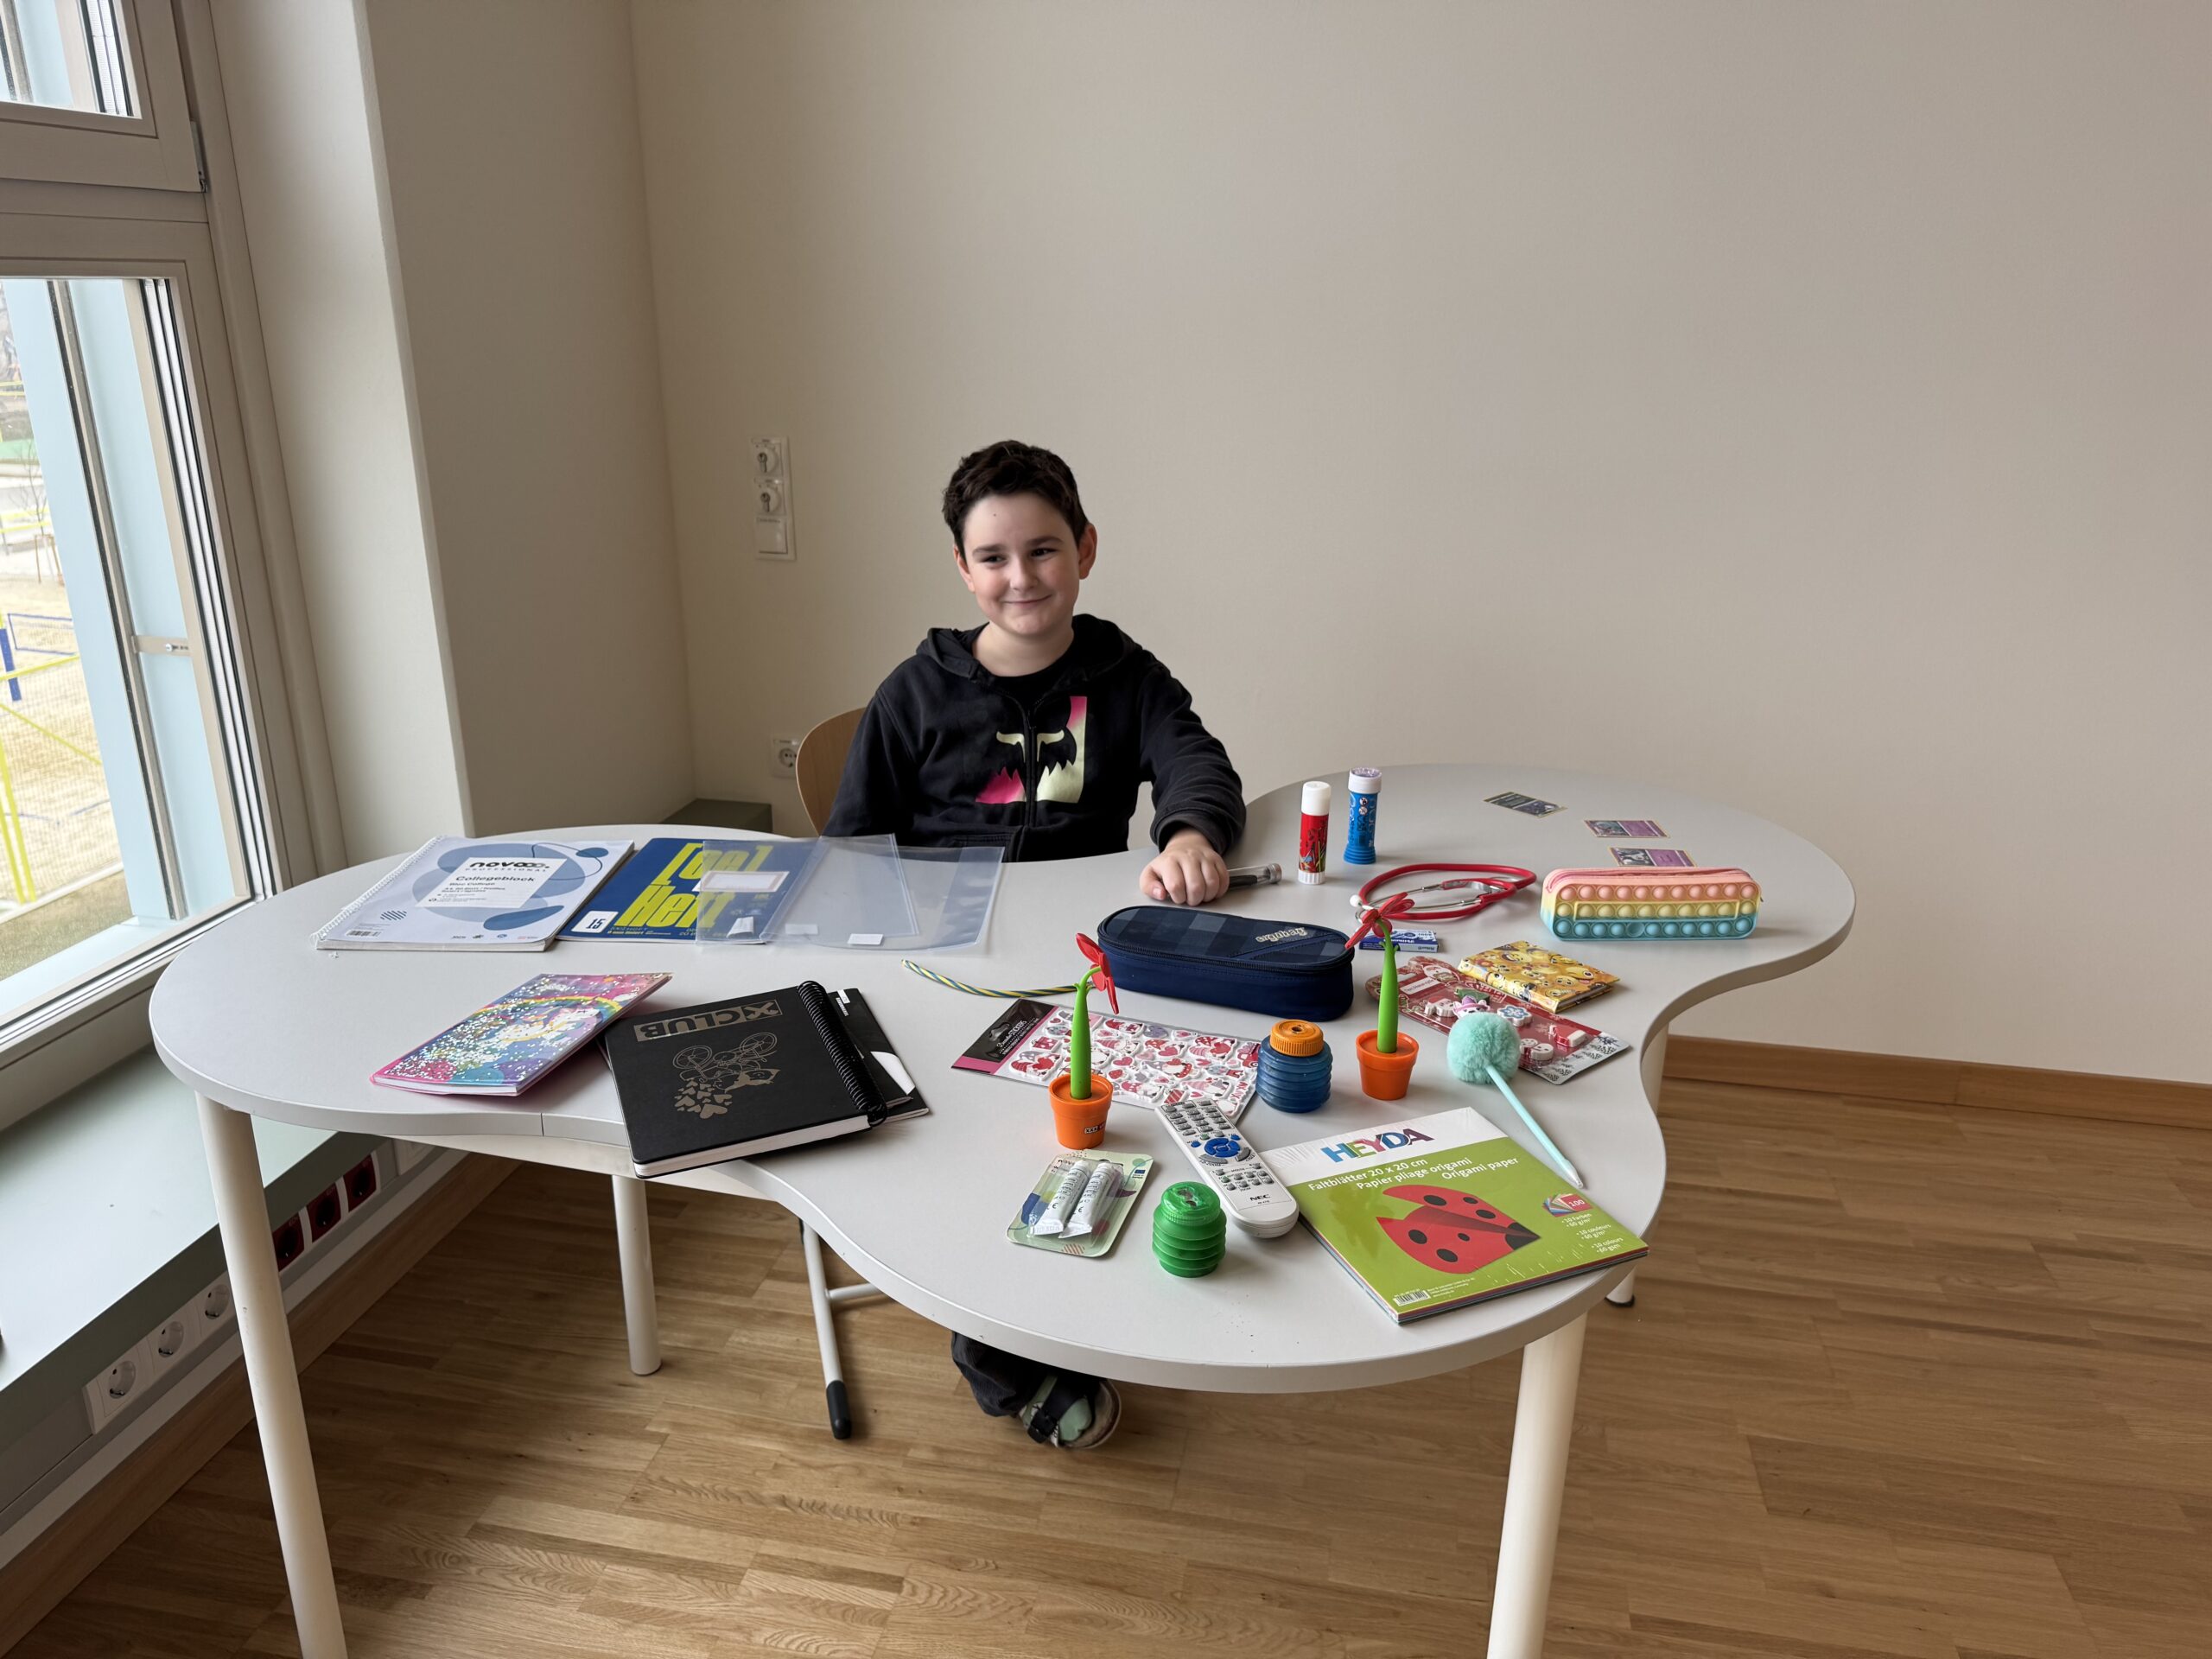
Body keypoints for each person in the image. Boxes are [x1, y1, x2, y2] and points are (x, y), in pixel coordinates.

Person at [824, 438, 1247, 1447]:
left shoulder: (1125, 676)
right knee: (969, 1152)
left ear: (1085, 549)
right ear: (963, 569)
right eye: (994, 557)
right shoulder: (913, 692)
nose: (1021, 577)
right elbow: (849, 850)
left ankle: (1071, 1293)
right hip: (941, 972)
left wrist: (1190, 833)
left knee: (1104, 1123)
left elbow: (1196, 762)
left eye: (1043, 550)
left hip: (1068, 972)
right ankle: (1001, 1353)